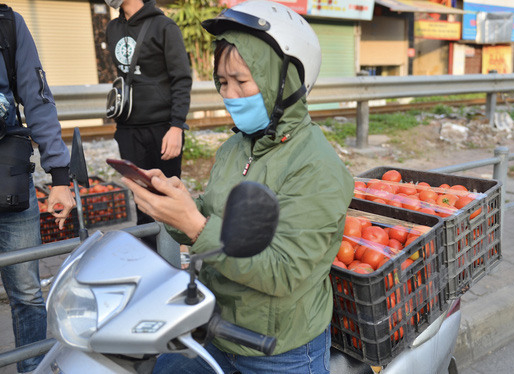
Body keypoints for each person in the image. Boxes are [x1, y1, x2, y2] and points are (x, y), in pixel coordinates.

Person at [122, 1, 354, 373]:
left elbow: (283, 271)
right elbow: (216, 214)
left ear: (285, 81)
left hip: (279, 349)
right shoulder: (235, 147)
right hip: (217, 329)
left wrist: (196, 226)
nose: (230, 94)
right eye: (223, 83)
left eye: (243, 81)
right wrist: (173, 205)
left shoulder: (318, 167)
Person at [0, 7, 75, 373]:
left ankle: (34, 369)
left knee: (27, 292)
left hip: (10, 179)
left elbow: (38, 99)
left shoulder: (8, 23)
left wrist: (59, 177)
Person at [105, 0, 192, 248]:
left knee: (167, 194)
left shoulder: (164, 26)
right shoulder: (112, 29)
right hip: (128, 127)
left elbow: (182, 78)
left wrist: (176, 126)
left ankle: (175, 253)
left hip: (163, 127)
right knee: (141, 198)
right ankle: (150, 257)